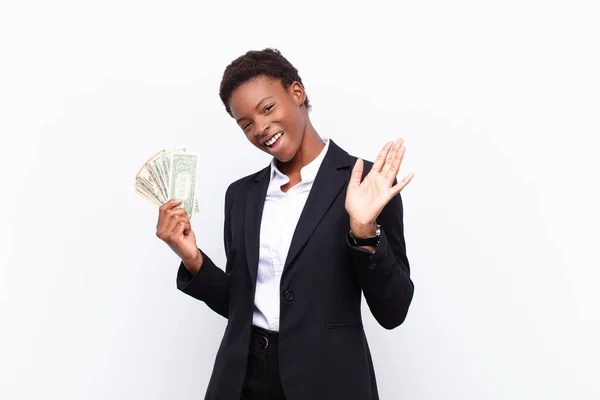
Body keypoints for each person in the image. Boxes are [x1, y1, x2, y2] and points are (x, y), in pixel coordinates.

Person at [156, 48, 415, 400]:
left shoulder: (368, 184)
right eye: (245, 124)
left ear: (297, 93)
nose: (260, 129)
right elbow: (240, 304)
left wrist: (363, 231)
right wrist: (193, 260)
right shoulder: (241, 196)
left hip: (328, 382)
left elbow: (393, 310)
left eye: (267, 108)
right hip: (242, 379)